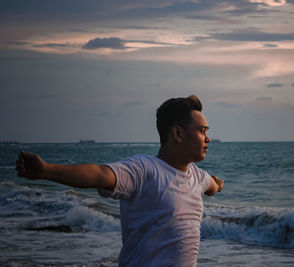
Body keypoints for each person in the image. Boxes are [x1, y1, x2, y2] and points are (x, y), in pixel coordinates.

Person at [16, 95, 224, 267]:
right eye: (202, 130)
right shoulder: (144, 169)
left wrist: (217, 183)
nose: (208, 139)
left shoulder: (198, 176)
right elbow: (99, 174)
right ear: (178, 133)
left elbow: (212, 186)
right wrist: (46, 171)